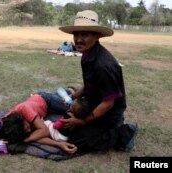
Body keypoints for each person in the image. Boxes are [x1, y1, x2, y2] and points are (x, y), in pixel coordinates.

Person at [58, 10, 138, 154]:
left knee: (76, 142)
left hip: (109, 112)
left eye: (84, 34)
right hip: (94, 102)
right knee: (65, 125)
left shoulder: (103, 65)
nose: (78, 39)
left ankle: (124, 133)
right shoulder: (87, 54)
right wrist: (74, 96)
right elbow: (90, 84)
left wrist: (82, 121)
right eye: (76, 34)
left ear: (97, 36)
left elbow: (109, 103)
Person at [0, 89, 79, 154]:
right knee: (60, 99)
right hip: (38, 105)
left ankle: (71, 91)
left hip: (46, 100)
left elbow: (44, 131)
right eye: (26, 132)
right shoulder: (11, 126)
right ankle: (66, 91)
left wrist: (26, 140)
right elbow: (37, 135)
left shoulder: (25, 109)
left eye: (27, 127)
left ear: (23, 118)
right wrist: (58, 144)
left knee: (73, 109)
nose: (29, 130)